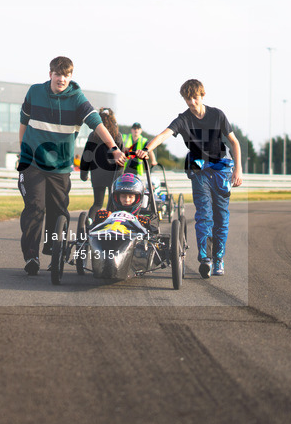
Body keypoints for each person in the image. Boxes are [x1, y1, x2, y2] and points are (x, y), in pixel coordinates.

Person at [17, 56, 127, 275]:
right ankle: (31, 256)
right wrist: (23, 151)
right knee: (35, 208)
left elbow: (98, 124)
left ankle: (53, 248)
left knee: (58, 212)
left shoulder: (77, 98)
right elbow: (24, 122)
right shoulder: (34, 92)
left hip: (60, 167)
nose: (62, 79)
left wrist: (114, 148)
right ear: (50, 74)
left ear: (71, 76)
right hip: (33, 164)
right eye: (58, 74)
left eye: (66, 75)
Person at [137, 79, 244, 279]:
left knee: (221, 217)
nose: (192, 102)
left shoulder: (217, 115)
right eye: (188, 99)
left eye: (195, 97)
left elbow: (234, 142)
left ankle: (219, 257)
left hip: (221, 166)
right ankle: (206, 259)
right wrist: (146, 149)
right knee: (204, 214)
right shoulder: (183, 119)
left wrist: (238, 170)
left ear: (202, 96)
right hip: (198, 168)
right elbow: (163, 135)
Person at [80, 107, 124, 224]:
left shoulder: (93, 136)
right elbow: (121, 159)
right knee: (112, 205)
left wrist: (83, 174)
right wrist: (120, 178)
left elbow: (86, 156)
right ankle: (109, 228)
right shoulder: (117, 136)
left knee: (97, 204)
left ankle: (90, 224)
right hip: (113, 175)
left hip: (97, 175)